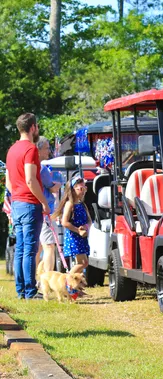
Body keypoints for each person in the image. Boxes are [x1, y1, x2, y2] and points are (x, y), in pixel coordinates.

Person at [5, 113, 49, 299]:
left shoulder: (11, 150)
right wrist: (44, 202)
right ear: (32, 128)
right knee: (30, 250)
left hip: (16, 203)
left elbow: (8, 182)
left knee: (21, 249)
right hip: (30, 204)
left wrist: (17, 194)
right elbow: (31, 180)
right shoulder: (30, 149)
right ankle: (30, 292)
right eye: (36, 126)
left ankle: (21, 291)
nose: (37, 130)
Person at [52, 176, 91, 275]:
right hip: (74, 237)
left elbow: (89, 220)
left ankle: (74, 286)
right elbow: (64, 222)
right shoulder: (70, 204)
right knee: (83, 263)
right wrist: (78, 230)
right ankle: (67, 281)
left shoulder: (82, 204)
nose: (83, 191)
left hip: (82, 237)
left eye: (85, 189)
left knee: (81, 263)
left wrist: (85, 227)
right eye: (81, 189)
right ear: (73, 190)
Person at [36, 137, 61, 273]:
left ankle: (33, 280)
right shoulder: (42, 169)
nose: (49, 151)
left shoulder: (29, 167)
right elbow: (51, 187)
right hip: (46, 211)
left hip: (34, 210)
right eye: (46, 148)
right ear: (38, 150)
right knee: (49, 246)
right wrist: (57, 184)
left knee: (37, 247)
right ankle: (47, 279)